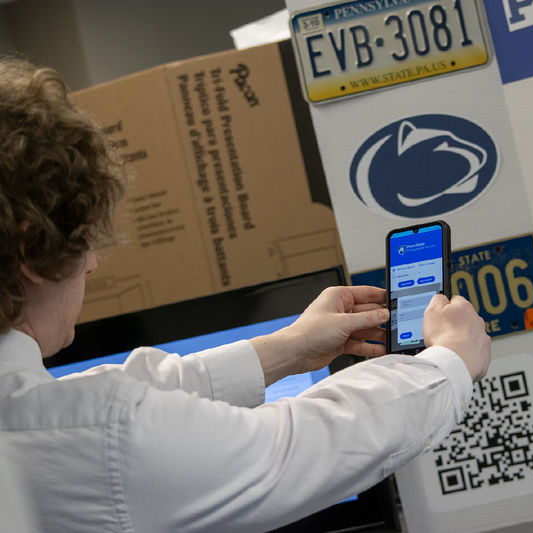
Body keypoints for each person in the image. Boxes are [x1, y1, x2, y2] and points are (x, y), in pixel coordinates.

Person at [0, 56, 491, 532]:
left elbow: (107, 403)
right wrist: (447, 362)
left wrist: (288, 348)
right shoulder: (86, 436)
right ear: (34, 248)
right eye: (83, 243)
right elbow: (293, 451)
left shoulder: (35, 419)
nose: (91, 263)